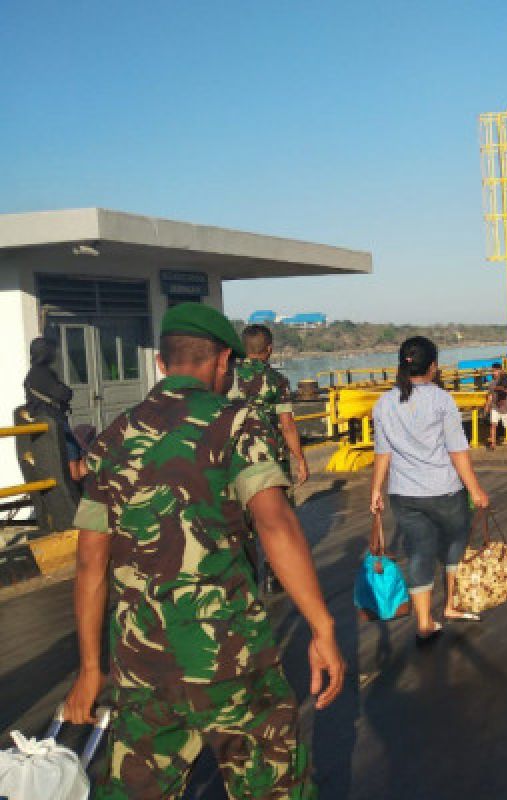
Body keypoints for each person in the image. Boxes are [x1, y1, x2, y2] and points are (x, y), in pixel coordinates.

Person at [64, 302, 344, 797]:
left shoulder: (112, 439)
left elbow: (90, 562)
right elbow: (276, 525)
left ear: (160, 364)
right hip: (231, 659)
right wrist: (321, 626)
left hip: (142, 665)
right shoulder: (236, 423)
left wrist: (91, 669)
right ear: (222, 363)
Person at [370, 336, 491, 641]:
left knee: (419, 553)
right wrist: (475, 489)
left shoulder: (383, 404)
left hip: (403, 493)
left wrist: (375, 491)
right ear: (434, 366)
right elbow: (457, 451)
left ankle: (424, 621)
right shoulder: (442, 400)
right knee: (454, 544)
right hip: (444, 490)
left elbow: (382, 452)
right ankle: (450, 604)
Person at [228, 324, 309, 593]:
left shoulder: (227, 377)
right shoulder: (277, 381)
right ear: (270, 349)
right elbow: (287, 425)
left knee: (242, 523)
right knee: (277, 521)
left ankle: (247, 576)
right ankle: (275, 575)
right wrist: (300, 459)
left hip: (235, 460)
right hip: (271, 460)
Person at [23, 337, 86, 481]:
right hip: (53, 420)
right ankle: (78, 490)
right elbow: (63, 393)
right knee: (73, 454)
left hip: (49, 419)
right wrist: (67, 391)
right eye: (51, 351)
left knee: (75, 453)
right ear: (45, 353)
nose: (55, 354)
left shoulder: (35, 373)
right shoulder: (41, 373)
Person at [485, 362, 507, 449]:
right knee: (493, 424)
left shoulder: (506, 380)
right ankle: (493, 443)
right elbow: (490, 395)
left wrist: (502, 389)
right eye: (493, 371)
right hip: (495, 406)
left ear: (500, 371)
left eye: (495, 371)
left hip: (506, 407)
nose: (493, 373)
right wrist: (487, 406)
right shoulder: (491, 383)